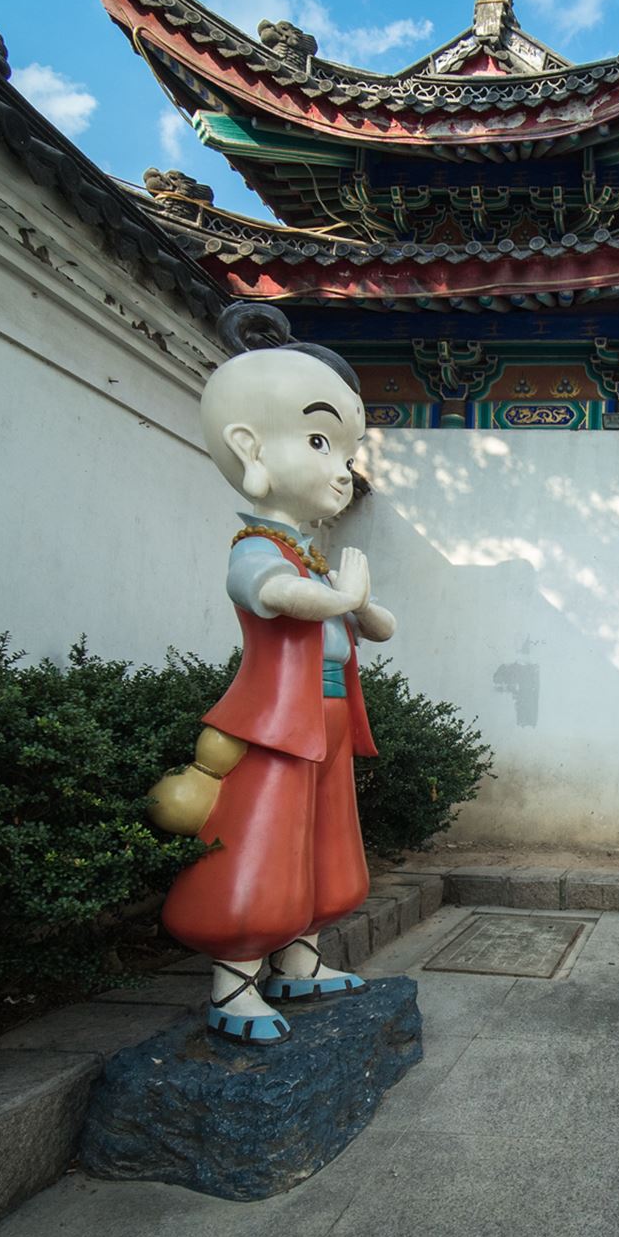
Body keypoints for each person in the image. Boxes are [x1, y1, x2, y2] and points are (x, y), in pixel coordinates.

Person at [160, 305, 399, 1045]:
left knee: (326, 842)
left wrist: (361, 608)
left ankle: (300, 959)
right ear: (250, 447)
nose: (342, 468)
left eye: (347, 449)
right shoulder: (255, 549)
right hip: (275, 725)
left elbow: (368, 621)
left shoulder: (312, 556)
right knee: (264, 841)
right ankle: (234, 986)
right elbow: (273, 599)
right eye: (323, 440)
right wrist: (342, 599)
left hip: (325, 720)